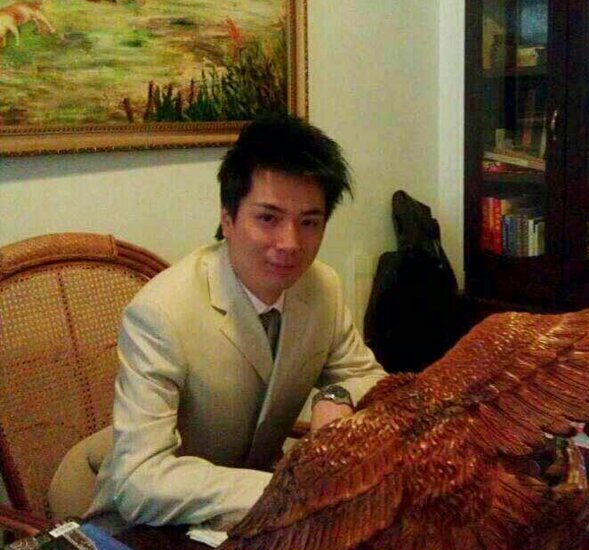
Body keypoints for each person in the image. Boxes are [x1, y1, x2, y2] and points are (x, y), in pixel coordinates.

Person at [87, 114, 386, 527]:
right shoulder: (160, 313)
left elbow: (368, 378)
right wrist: (288, 494)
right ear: (227, 218)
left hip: (249, 524)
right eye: (268, 218)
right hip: (146, 529)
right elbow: (139, 480)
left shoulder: (323, 288)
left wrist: (337, 396)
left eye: (309, 223)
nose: (290, 243)